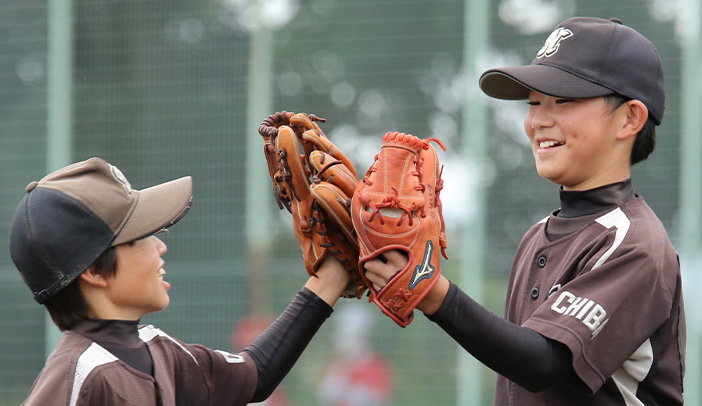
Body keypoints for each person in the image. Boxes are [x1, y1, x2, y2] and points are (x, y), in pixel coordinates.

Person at [363, 17, 685, 405]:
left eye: (563, 100)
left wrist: (432, 292)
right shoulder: (537, 234)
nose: (538, 120)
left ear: (630, 118)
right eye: (534, 103)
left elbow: (544, 361)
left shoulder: (635, 243)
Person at [9, 157, 351, 406]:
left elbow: (254, 376)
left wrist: (333, 275)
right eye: (140, 236)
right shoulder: (77, 378)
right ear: (94, 272)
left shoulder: (159, 351)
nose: (160, 245)